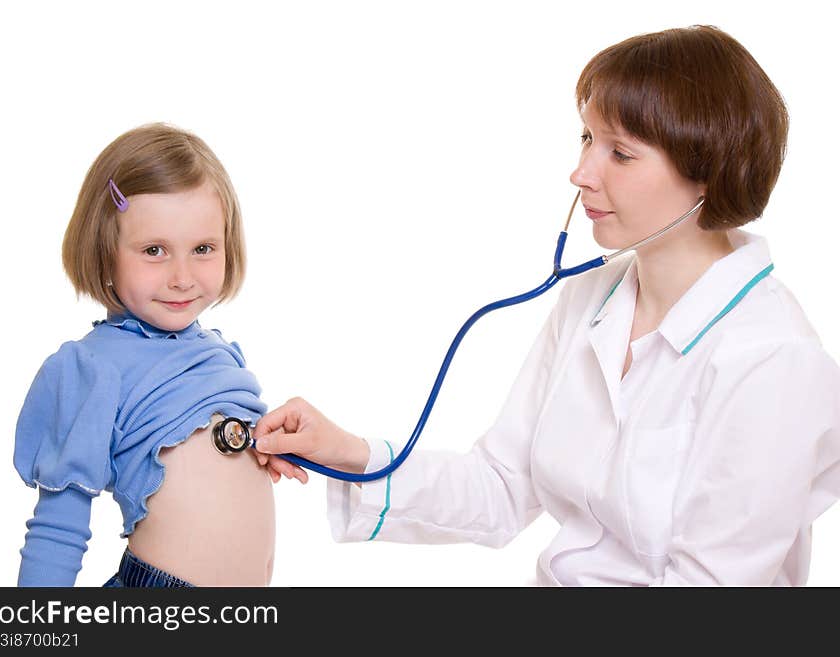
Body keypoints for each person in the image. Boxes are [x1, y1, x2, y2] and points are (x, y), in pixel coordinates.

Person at [252, 25, 840, 586]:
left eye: (621, 153)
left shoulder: (774, 359)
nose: (580, 173)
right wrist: (347, 452)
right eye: (587, 138)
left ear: (709, 169)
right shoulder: (591, 300)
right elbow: (501, 485)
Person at [14, 123, 275, 587]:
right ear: (104, 251)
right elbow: (58, 529)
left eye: (203, 249)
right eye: (154, 250)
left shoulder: (219, 356)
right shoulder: (91, 369)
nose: (182, 276)